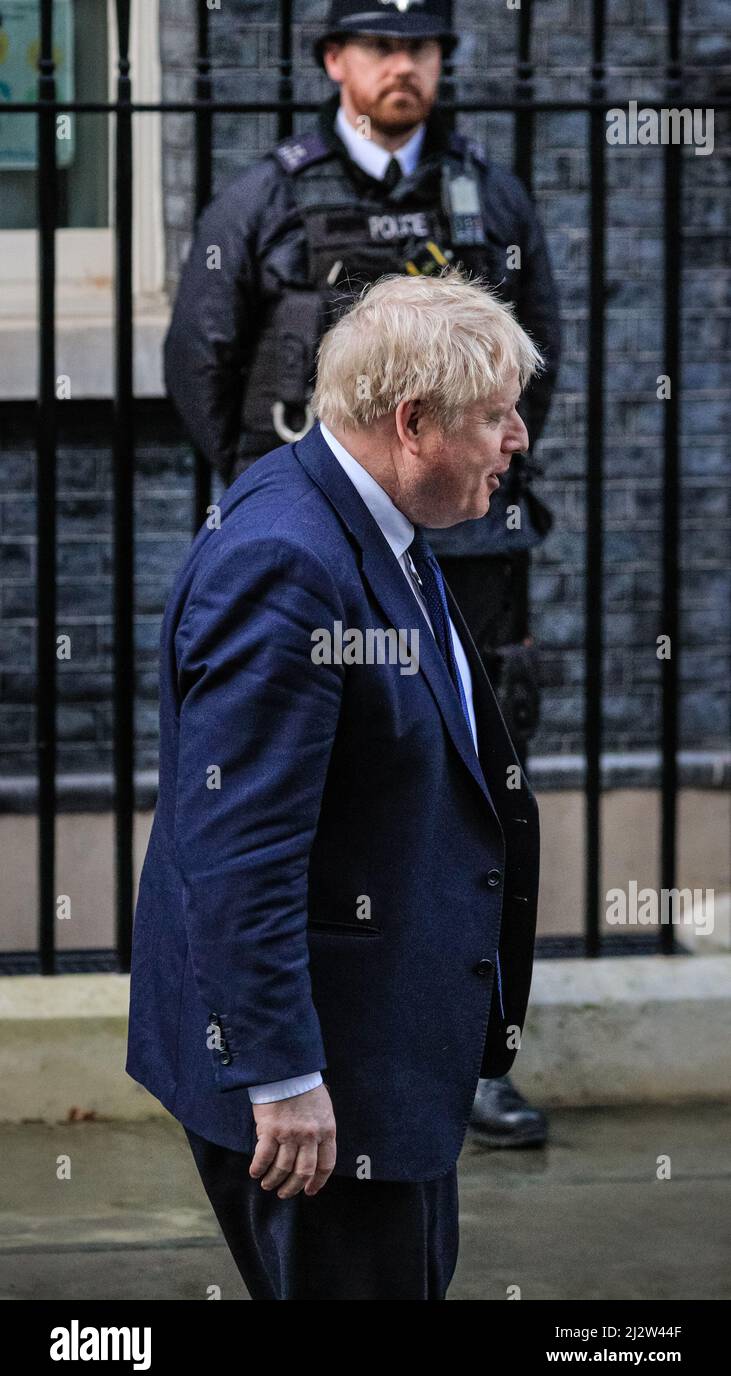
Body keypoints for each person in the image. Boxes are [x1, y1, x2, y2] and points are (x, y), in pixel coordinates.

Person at [163, 0, 557, 1147]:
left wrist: (466, 462)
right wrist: (313, 493)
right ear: (335, 61)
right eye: (381, 47)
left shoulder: (489, 192)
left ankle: (469, 1054)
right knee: (322, 787)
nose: (404, 66)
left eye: (422, 47)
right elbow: (203, 355)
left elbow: (535, 350)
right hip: (340, 523)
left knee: (459, 792)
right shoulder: (265, 197)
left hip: (458, 544)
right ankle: (306, 1051)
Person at [126, 269, 543, 1300]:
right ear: (411, 423)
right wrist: (282, 1077)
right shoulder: (287, 561)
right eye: (494, 417)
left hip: (383, 1062)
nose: (518, 439)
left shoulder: (369, 516)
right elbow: (237, 848)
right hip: (324, 1100)